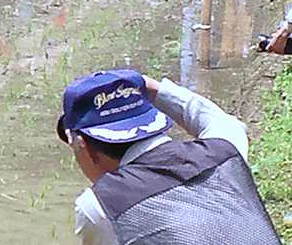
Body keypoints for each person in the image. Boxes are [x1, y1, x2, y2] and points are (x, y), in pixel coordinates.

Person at [58, 69, 280, 244]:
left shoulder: (101, 205)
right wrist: (154, 89)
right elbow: (227, 124)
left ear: (82, 145)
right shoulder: (225, 155)